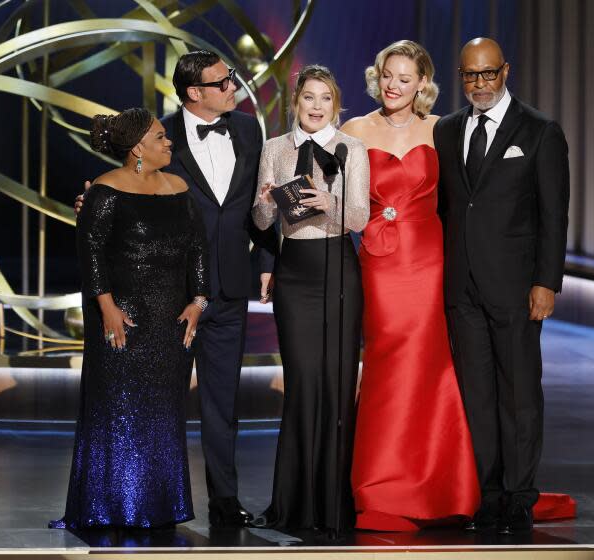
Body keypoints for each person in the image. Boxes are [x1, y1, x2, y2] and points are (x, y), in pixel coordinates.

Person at [75, 51, 278, 528]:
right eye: (223, 81)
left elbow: (259, 205)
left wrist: (268, 261)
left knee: (223, 404)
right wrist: (90, 201)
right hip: (164, 296)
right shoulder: (156, 138)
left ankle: (226, 504)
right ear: (194, 93)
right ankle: (144, 500)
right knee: (156, 401)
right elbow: (119, 195)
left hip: (227, 290)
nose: (234, 86)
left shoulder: (249, 131)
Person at [341, 40, 480, 532]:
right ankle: (381, 484)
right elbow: (323, 187)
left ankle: (442, 483)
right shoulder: (354, 130)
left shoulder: (443, 129)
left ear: (423, 82)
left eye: (404, 77)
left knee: (432, 364)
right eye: (386, 76)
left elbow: (463, 198)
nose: (393, 85)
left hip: (430, 259)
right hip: (379, 263)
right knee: (385, 361)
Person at [434, 37, 571, 534]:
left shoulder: (539, 131)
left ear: (505, 72)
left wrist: (546, 282)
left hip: (516, 287)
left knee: (518, 394)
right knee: (477, 394)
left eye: (488, 74)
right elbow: (450, 208)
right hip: (462, 288)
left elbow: (554, 215)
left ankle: (519, 495)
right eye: (470, 75)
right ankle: (488, 492)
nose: (479, 84)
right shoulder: (447, 131)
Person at [51, 108, 209, 528]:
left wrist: (198, 302)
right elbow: (93, 255)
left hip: (171, 320)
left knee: (163, 413)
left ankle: (159, 505)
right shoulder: (105, 190)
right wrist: (107, 309)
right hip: (123, 318)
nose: (169, 142)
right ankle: (111, 506)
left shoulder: (178, 188)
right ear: (138, 147)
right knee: (117, 411)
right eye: (161, 137)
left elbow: (197, 249)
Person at [251, 65, 370, 532]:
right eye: (308, 98)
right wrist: (265, 201)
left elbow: (359, 217)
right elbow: (262, 222)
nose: (316, 107)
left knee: (338, 386)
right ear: (295, 103)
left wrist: (330, 202)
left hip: (339, 268)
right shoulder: (275, 149)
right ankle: (295, 502)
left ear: (336, 105)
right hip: (295, 274)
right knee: (302, 383)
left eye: (325, 99)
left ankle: (333, 504)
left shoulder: (350, 149)